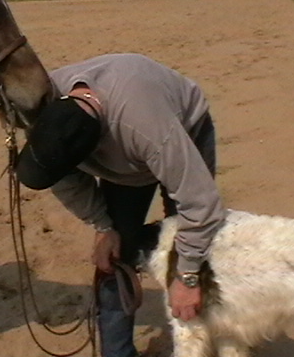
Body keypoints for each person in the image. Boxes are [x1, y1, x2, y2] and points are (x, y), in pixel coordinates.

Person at [16, 53, 225, 357]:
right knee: (113, 257)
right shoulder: (46, 109)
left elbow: (201, 206)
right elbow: (65, 180)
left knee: (191, 249)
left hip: (183, 129)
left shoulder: (148, 129)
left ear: (97, 152)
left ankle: (203, 343)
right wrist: (103, 226)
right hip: (126, 156)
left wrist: (188, 276)